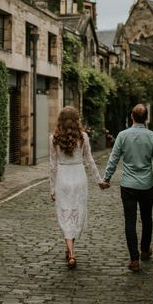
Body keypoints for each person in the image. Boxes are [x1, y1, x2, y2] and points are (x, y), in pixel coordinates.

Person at [101, 103, 153, 272]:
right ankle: (145, 250)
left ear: (132, 116)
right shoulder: (152, 137)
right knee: (146, 218)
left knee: (130, 221)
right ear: (146, 118)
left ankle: (134, 259)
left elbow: (113, 159)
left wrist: (106, 178)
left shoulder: (122, 136)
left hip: (128, 185)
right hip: (146, 185)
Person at [49, 106, 103, 268]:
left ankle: (70, 252)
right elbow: (90, 161)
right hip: (79, 178)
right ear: (76, 120)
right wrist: (99, 180)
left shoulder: (54, 138)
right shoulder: (83, 137)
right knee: (76, 213)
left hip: (63, 179)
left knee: (65, 213)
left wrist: (52, 189)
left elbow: (52, 166)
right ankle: (71, 249)